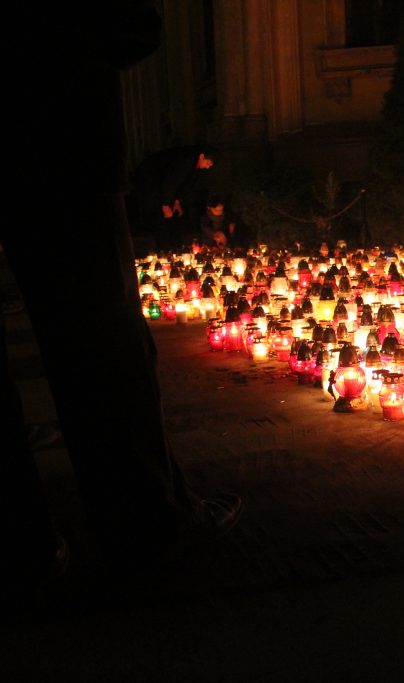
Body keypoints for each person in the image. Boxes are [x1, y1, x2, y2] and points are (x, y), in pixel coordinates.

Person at [2, 2, 241, 611]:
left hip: (54, 137)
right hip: (54, 138)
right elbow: (128, 25)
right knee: (100, 347)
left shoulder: (188, 162)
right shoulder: (177, 158)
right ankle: (145, 527)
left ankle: (17, 547)